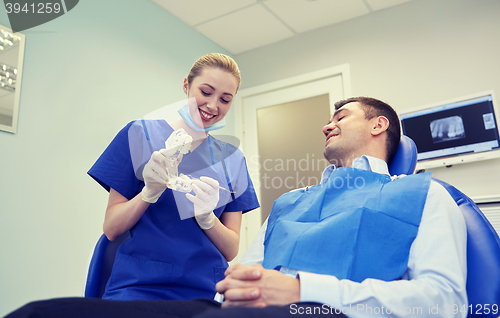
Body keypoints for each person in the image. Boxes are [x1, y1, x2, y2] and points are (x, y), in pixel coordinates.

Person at [5, 97, 467, 318]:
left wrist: (304, 289)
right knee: (46, 313)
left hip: (323, 312)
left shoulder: (424, 194)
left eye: (341, 117)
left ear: (379, 125)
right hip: (228, 313)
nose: (327, 125)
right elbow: (237, 278)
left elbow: (446, 302)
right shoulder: (288, 204)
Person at [86, 53, 260, 301]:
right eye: (206, 92)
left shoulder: (233, 160)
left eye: (225, 99)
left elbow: (231, 249)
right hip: (138, 286)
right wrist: (148, 193)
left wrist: (207, 218)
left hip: (203, 290)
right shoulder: (138, 135)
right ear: (186, 85)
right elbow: (112, 229)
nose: (213, 105)